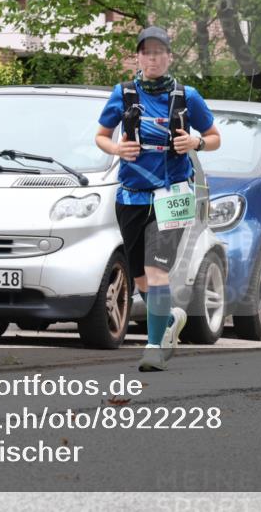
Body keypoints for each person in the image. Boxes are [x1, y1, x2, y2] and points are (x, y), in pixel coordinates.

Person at [95, 26, 221, 371]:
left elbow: (214, 137)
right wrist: (117, 148)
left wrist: (195, 143)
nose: (152, 58)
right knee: (139, 277)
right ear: (138, 57)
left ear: (169, 56)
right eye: (146, 52)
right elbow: (101, 136)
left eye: (159, 52)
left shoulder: (187, 96)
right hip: (132, 195)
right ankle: (166, 322)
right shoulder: (122, 94)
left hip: (174, 193)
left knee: (156, 270)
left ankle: (153, 347)